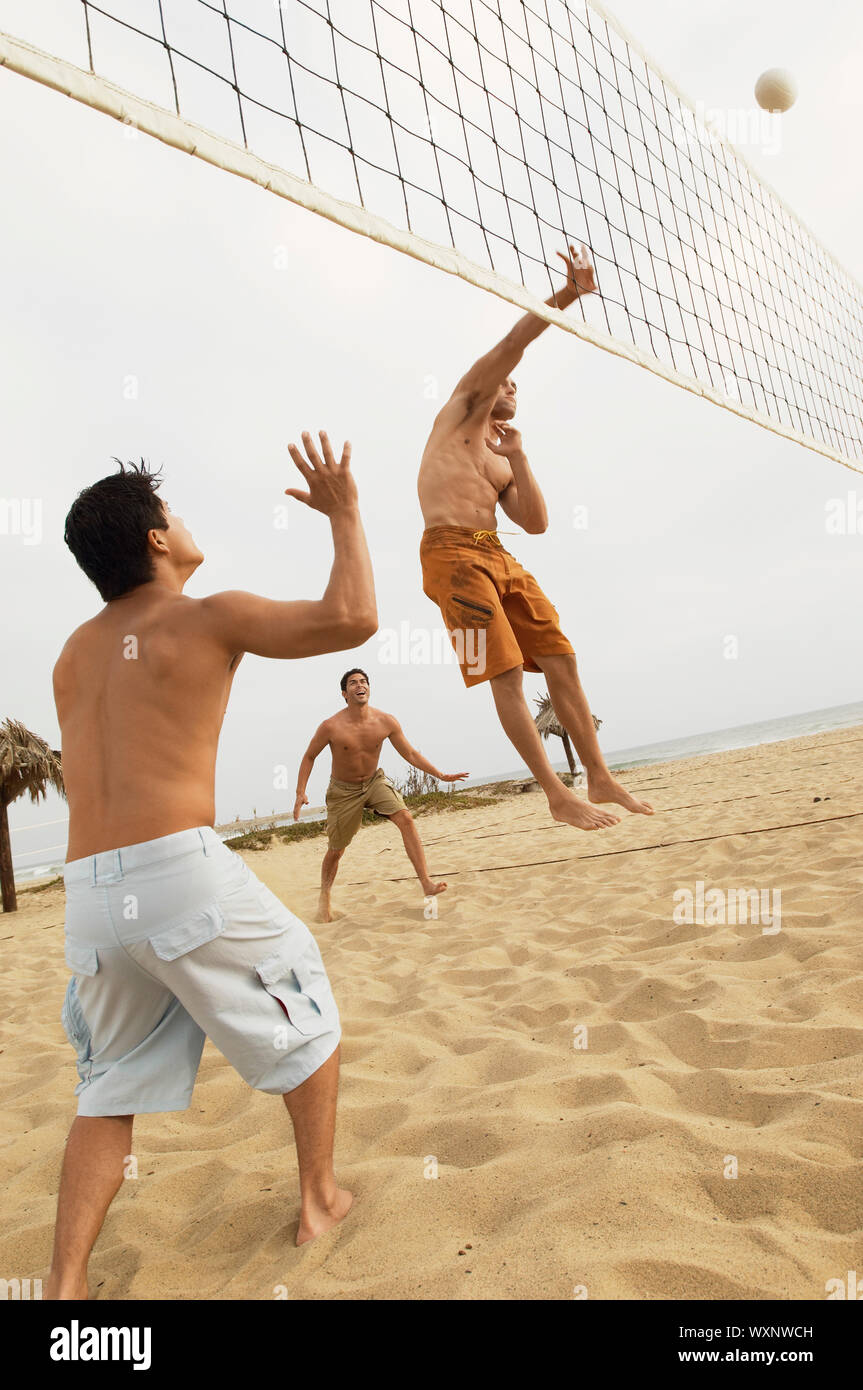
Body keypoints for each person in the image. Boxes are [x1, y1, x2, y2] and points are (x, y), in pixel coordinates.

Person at [47, 430, 373, 1299]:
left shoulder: (73, 655)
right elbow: (353, 621)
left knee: (106, 1089)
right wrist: (344, 514)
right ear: (156, 539)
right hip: (175, 868)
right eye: (173, 513)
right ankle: (319, 1199)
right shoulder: (206, 614)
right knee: (303, 1002)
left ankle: (65, 1284)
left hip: (88, 894)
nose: (185, 523)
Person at [418, 243, 654, 832]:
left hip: (498, 552)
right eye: (508, 383)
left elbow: (537, 523)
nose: (513, 385)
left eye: (519, 386)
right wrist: (569, 294)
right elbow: (513, 345)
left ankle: (598, 774)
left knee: (562, 658)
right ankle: (555, 792)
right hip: (449, 555)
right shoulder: (462, 405)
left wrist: (520, 458)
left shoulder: (499, 454)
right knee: (502, 674)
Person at [294, 668, 468, 921]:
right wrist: (301, 791)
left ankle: (426, 883)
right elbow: (309, 756)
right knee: (336, 850)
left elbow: (411, 754)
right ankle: (325, 899)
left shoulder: (386, 721)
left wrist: (439, 775)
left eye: (363, 682)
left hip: (375, 781)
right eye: (353, 683)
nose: (359, 685)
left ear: (368, 688)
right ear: (344, 693)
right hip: (343, 791)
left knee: (406, 819)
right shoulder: (330, 726)